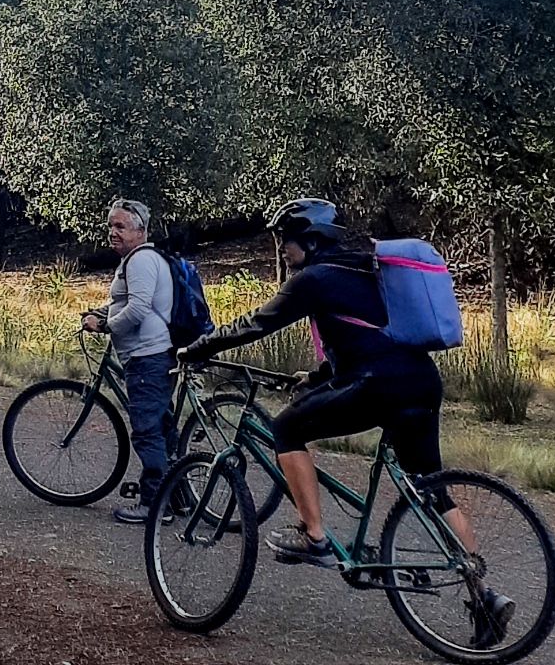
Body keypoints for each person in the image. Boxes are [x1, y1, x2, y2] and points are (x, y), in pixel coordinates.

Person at [179, 201, 507, 641]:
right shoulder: (367, 272)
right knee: (432, 491)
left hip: (377, 384)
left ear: (310, 240)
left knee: (287, 429)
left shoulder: (313, 280)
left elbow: (257, 322)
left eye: (286, 240)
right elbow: (366, 336)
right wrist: (316, 376)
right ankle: (484, 598)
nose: (283, 249)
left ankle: (313, 536)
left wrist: (200, 346)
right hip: (420, 381)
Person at [79, 197, 175, 526]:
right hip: (152, 355)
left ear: (140, 230)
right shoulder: (136, 260)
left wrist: (105, 325)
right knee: (161, 429)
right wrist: (102, 312)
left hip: (147, 357)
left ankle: (154, 505)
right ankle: (180, 496)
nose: (113, 232)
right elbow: (126, 304)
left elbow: (138, 310)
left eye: (120, 226)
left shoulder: (141, 261)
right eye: (111, 226)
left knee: (147, 431)